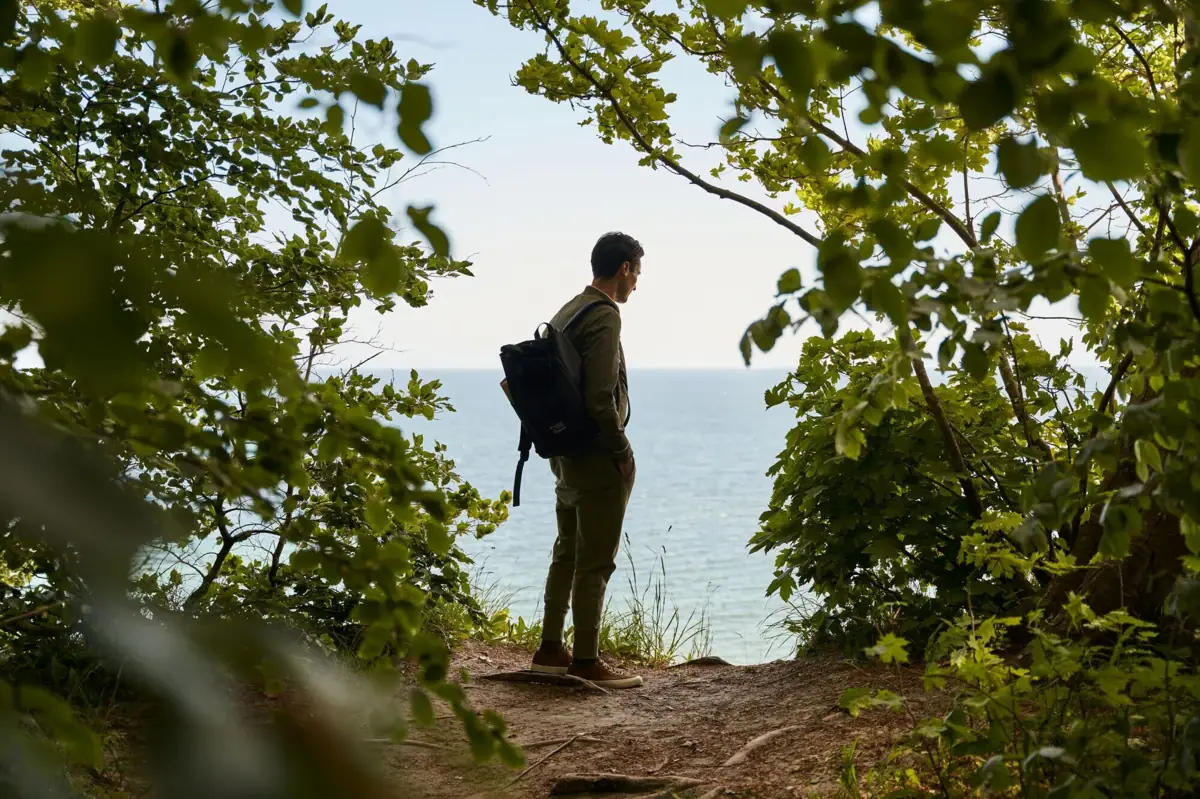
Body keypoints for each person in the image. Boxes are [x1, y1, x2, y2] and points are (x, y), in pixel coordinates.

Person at [529, 231, 644, 689]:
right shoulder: (605, 316)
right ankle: (587, 660)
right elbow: (600, 398)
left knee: (566, 552)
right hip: (597, 457)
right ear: (624, 269)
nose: (637, 283)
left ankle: (550, 649)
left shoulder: (568, 310)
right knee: (595, 561)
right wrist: (622, 452)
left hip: (565, 455)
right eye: (637, 273)